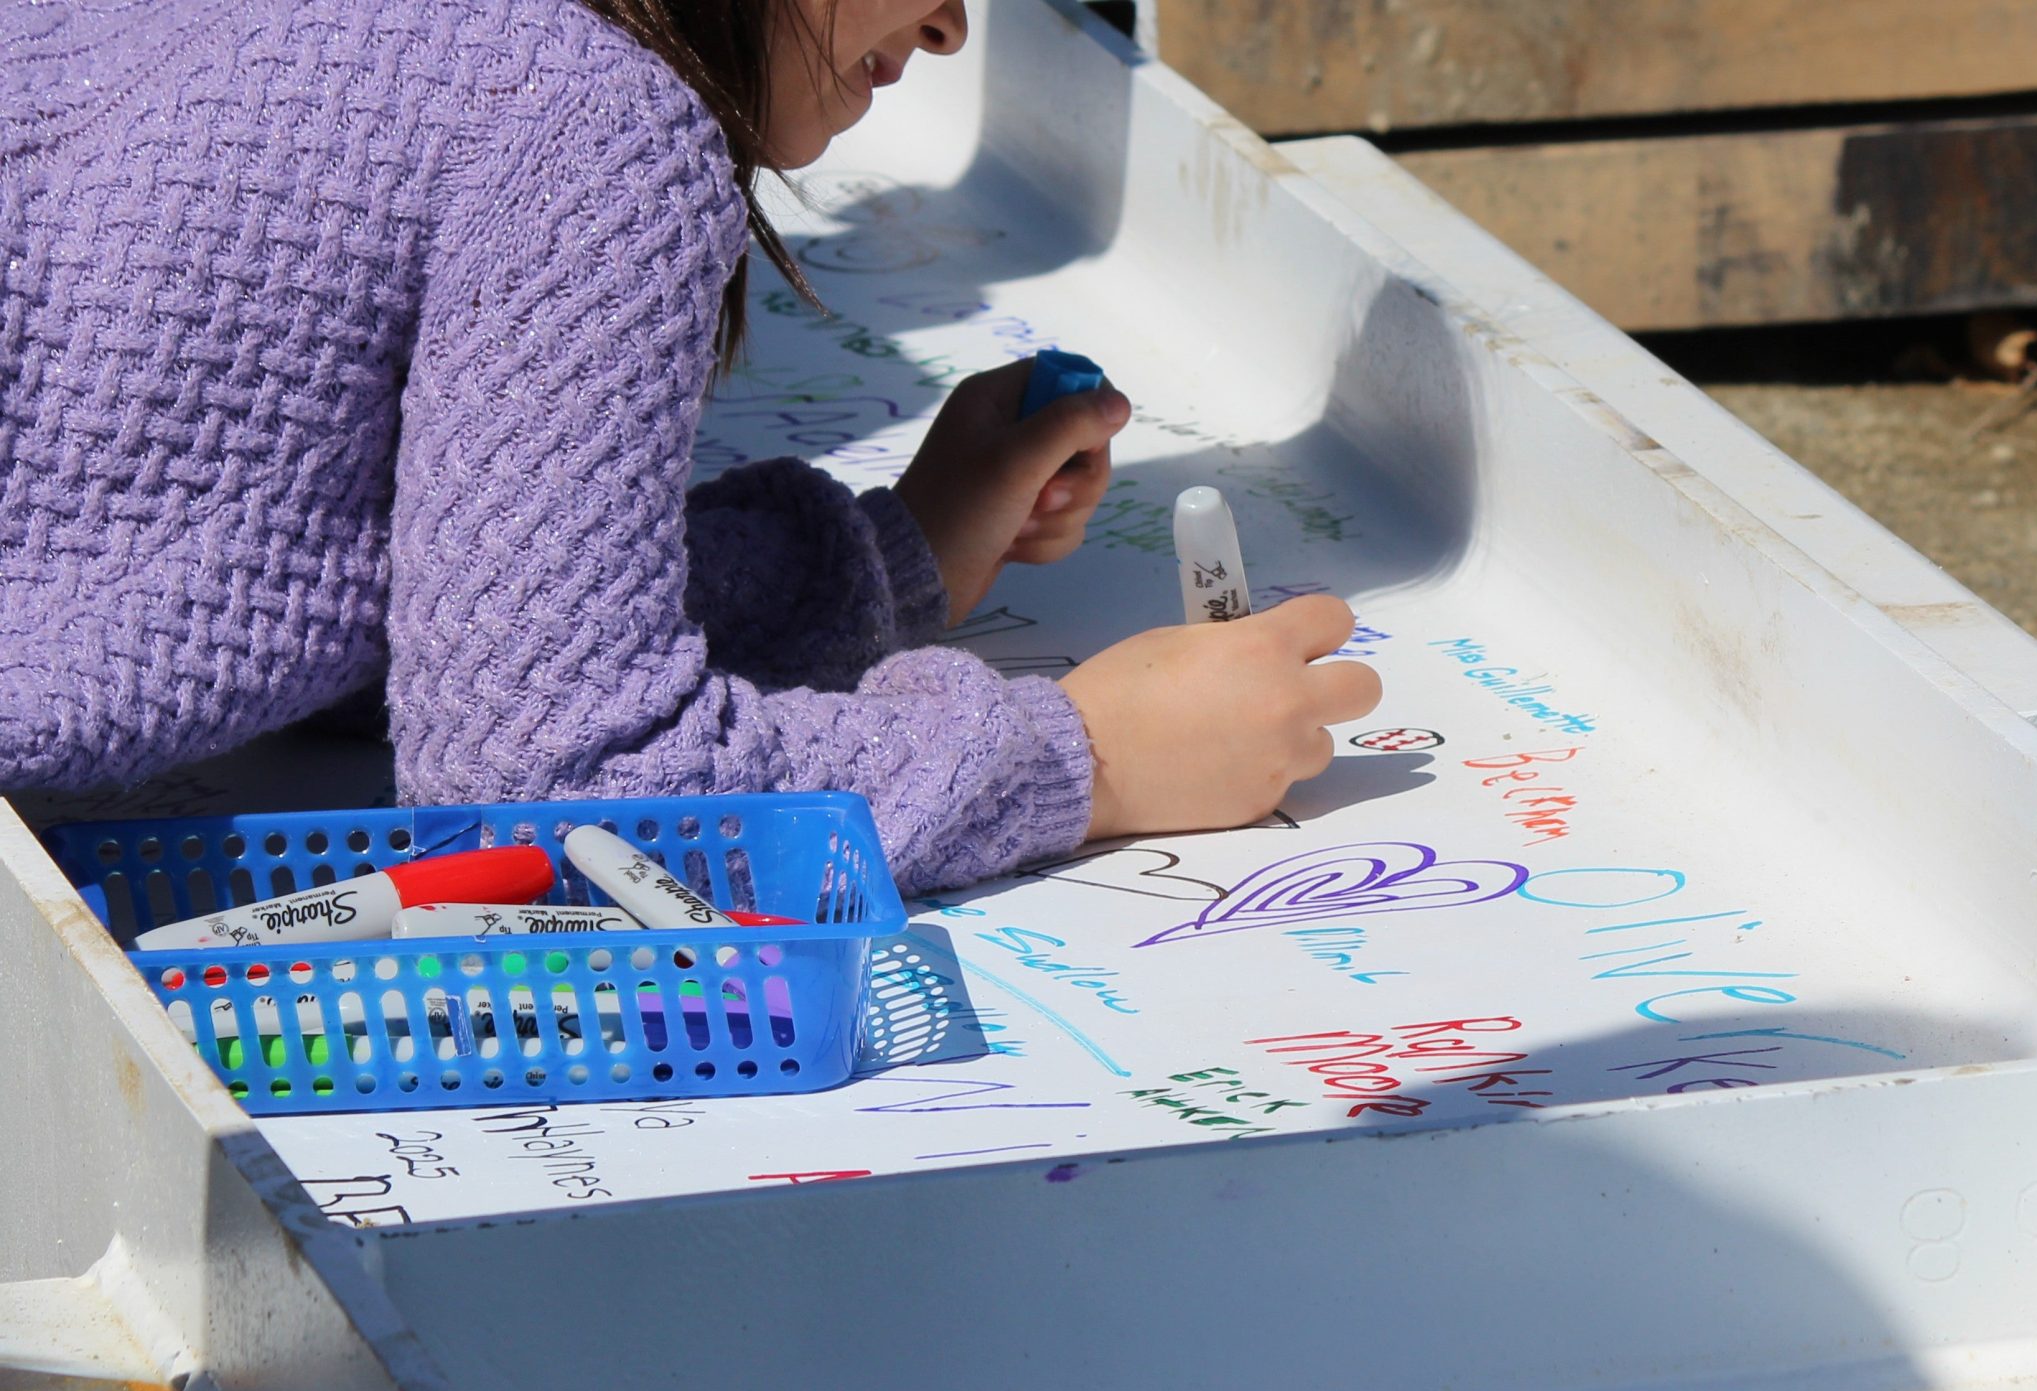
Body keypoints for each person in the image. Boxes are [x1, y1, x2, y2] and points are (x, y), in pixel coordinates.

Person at [0, 0, 1381, 891]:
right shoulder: (578, 117)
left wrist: (876, 564)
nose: (956, 26)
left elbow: (322, 597)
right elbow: (553, 797)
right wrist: (1091, 754)